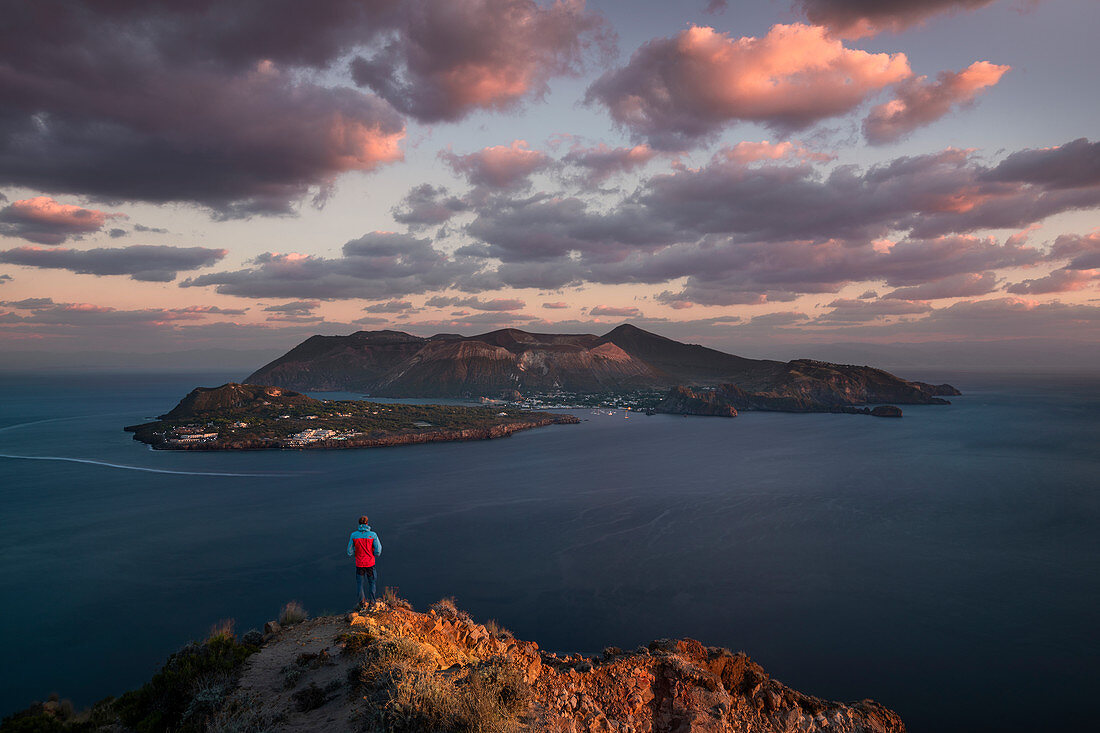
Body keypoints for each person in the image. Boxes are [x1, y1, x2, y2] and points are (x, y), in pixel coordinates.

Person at [347, 515, 382, 610]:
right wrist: (374, 554)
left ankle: (362, 603)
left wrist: (355, 553)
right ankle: (372, 602)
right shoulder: (373, 535)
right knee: (372, 583)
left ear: (359, 524)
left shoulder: (353, 535)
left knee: (360, 584)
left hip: (359, 563)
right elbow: (378, 550)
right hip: (370, 563)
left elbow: (349, 551)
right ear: (367, 523)